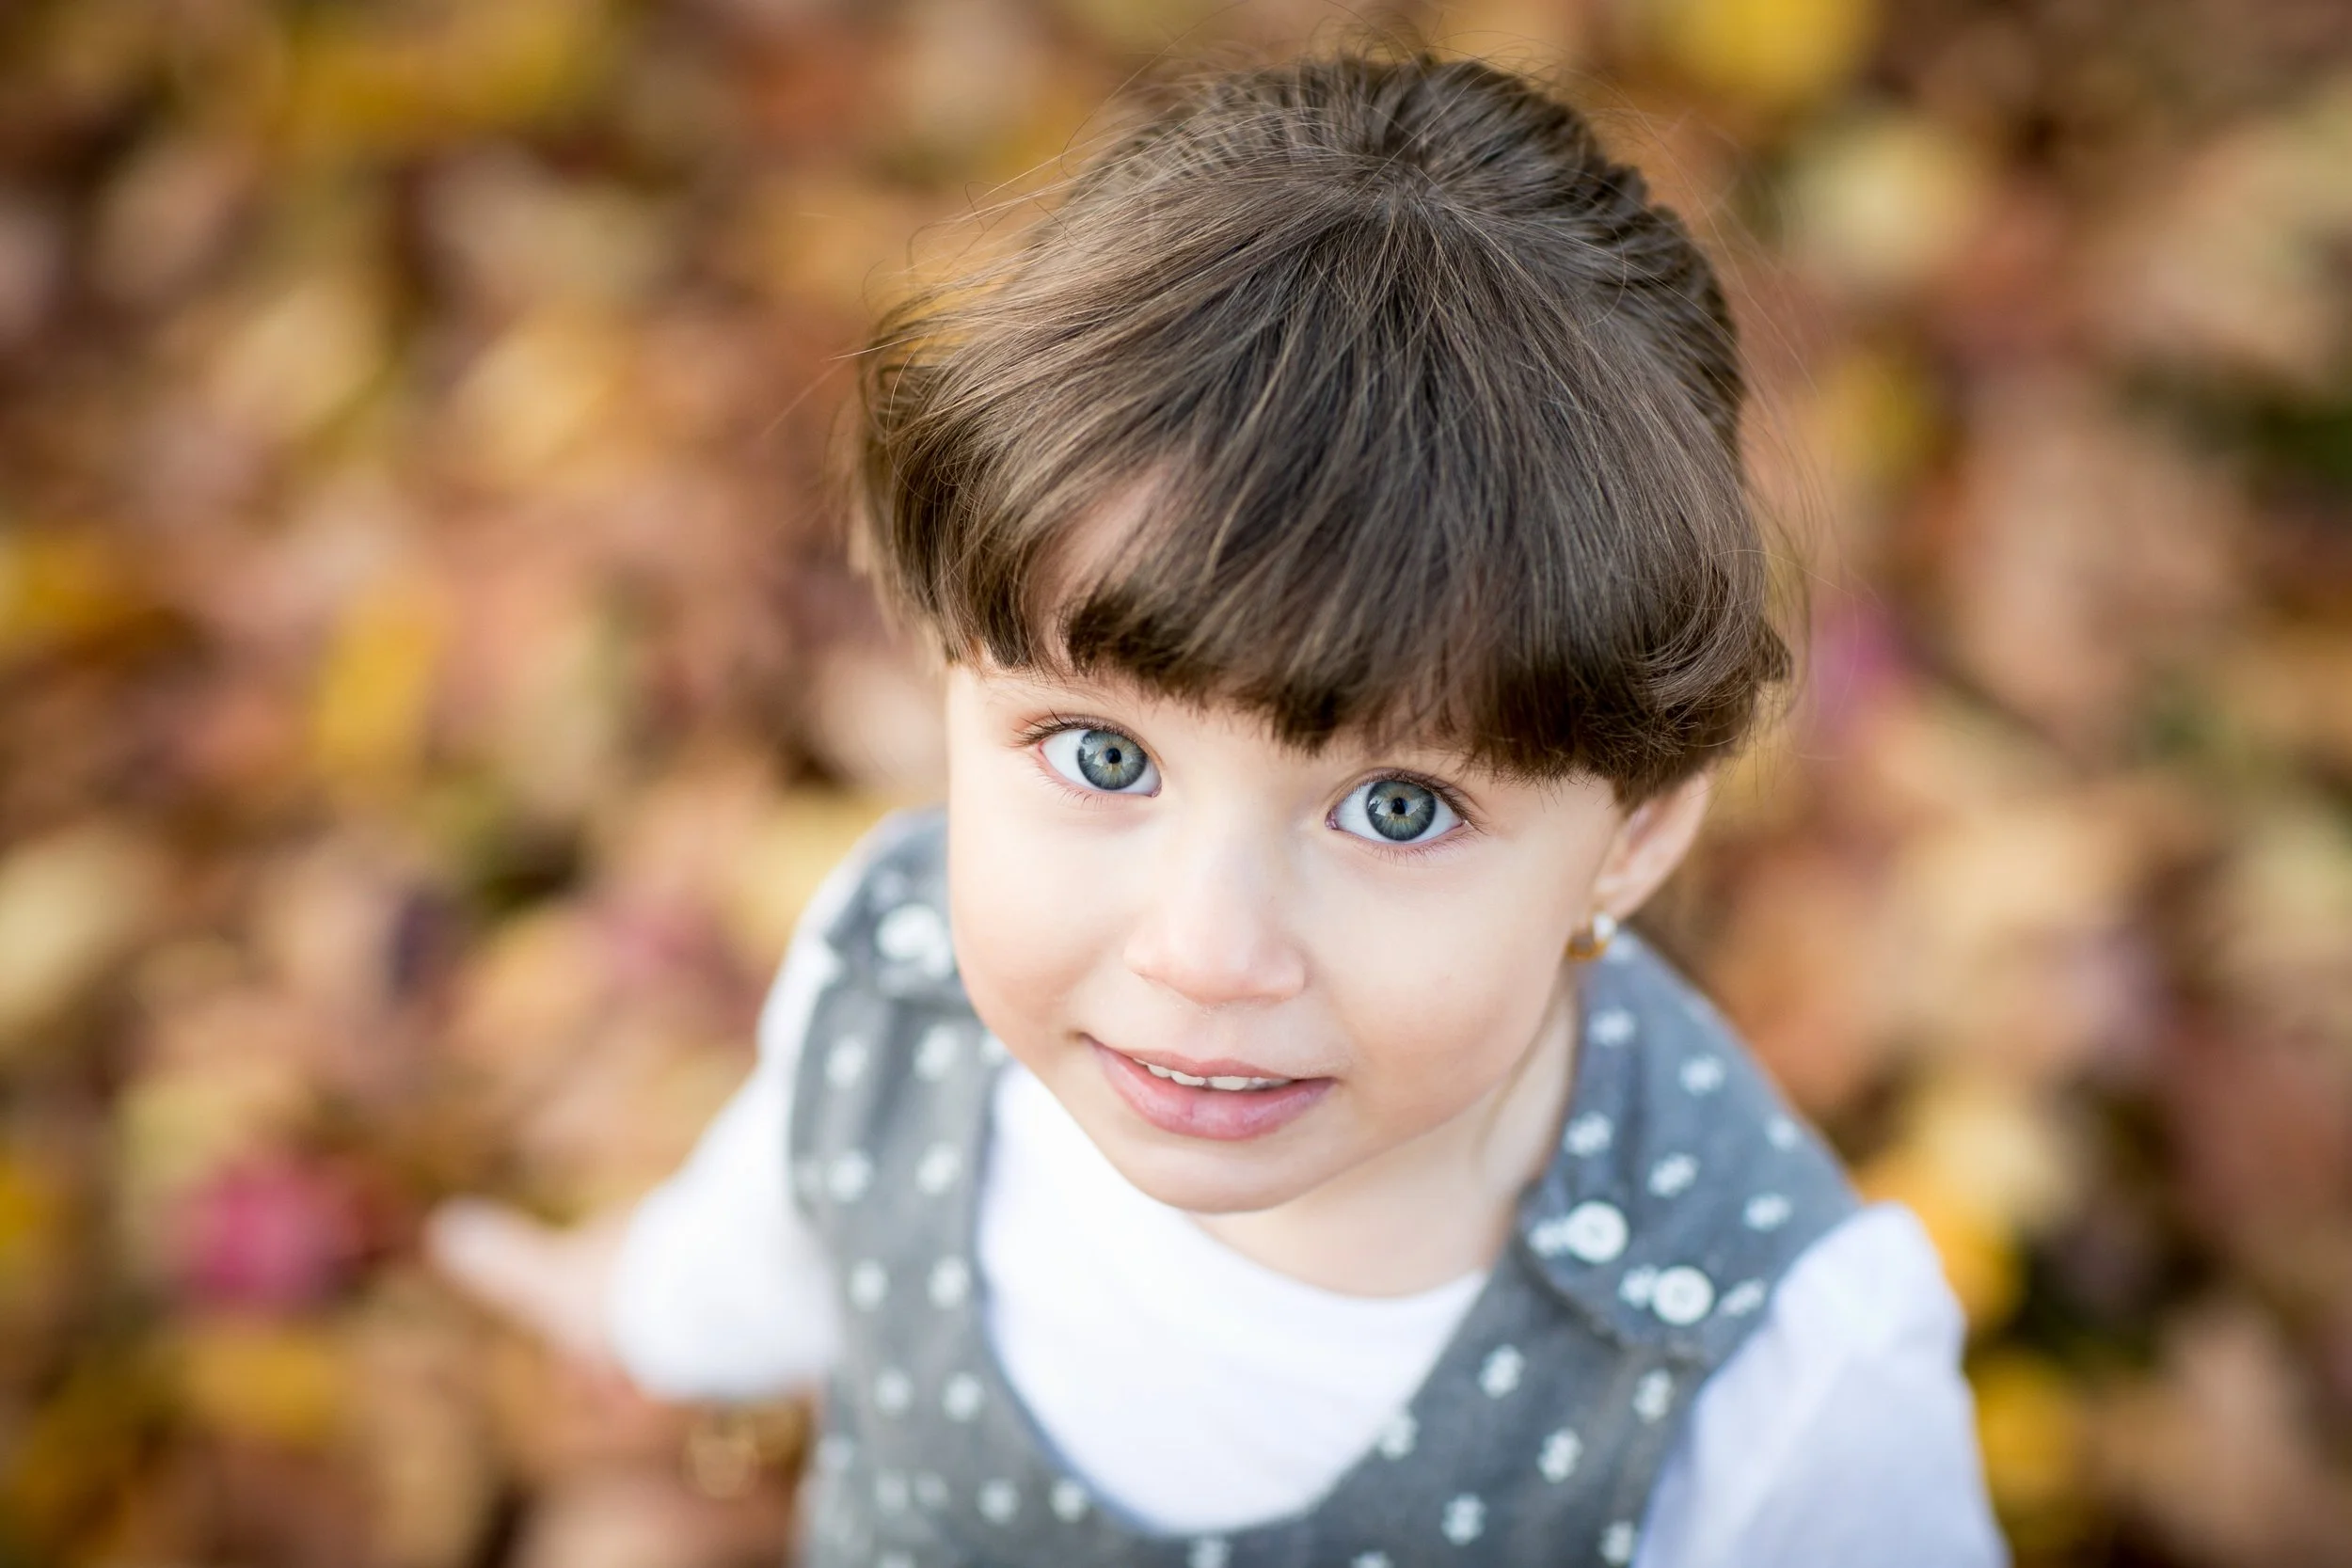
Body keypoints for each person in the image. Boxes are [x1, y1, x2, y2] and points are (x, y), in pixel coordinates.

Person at [430, 47, 2008, 1568]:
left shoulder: (1767, 1373)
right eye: (1102, 757)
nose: (1205, 951)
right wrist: (636, 1308)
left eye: (1396, 808)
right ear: (951, 679)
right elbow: (774, 1231)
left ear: (1641, 829)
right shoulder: (895, 987)